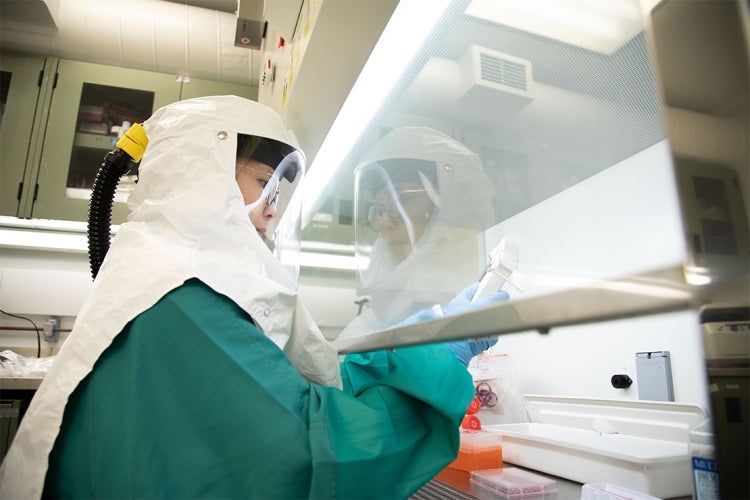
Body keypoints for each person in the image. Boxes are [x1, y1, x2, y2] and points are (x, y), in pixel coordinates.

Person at [0, 96, 504, 499]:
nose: (271, 211)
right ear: (205, 173)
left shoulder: (171, 277)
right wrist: (439, 359)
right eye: (264, 183)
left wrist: (414, 345)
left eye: (279, 194)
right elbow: (311, 456)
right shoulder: (186, 296)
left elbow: (293, 378)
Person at [338, 126, 499, 339]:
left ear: (448, 212)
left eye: (403, 201)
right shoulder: (370, 324)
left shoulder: (490, 307)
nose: (386, 221)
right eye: (379, 209)